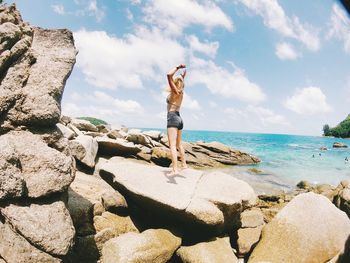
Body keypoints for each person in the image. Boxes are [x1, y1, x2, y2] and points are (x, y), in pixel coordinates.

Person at [166, 64, 188, 175]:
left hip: (172, 117)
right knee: (179, 144)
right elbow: (180, 83)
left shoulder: (175, 92)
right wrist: (183, 77)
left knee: (173, 146)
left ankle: (175, 169)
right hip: (179, 118)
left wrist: (178, 67)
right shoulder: (181, 92)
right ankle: (184, 165)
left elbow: (168, 75)